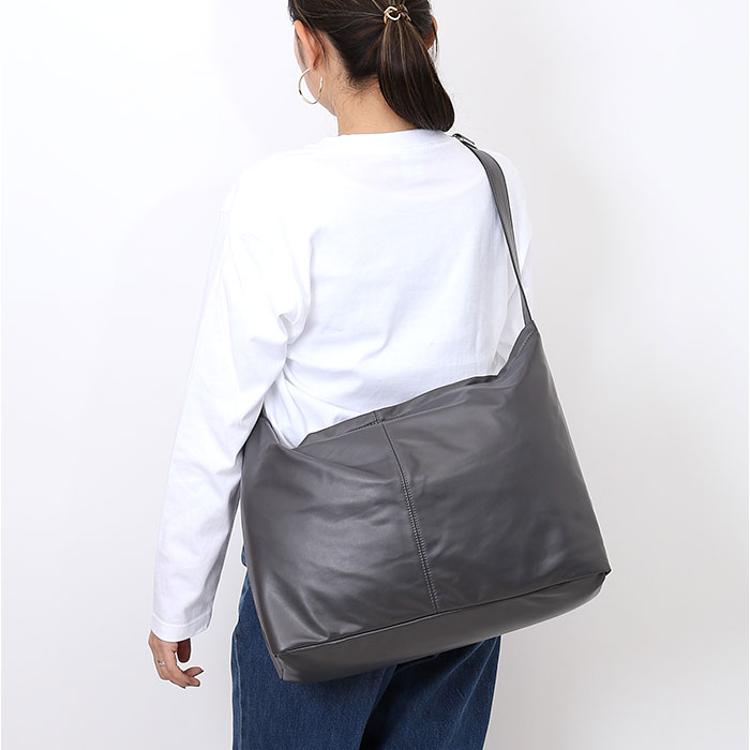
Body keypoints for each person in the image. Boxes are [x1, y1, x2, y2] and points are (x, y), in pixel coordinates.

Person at [148, 1, 534, 747]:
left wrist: (179, 602)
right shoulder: (493, 180)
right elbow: (498, 359)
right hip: (473, 558)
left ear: (307, 44)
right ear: (427, 35)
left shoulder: (280, 195)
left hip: (321, 578)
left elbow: (218, 419)